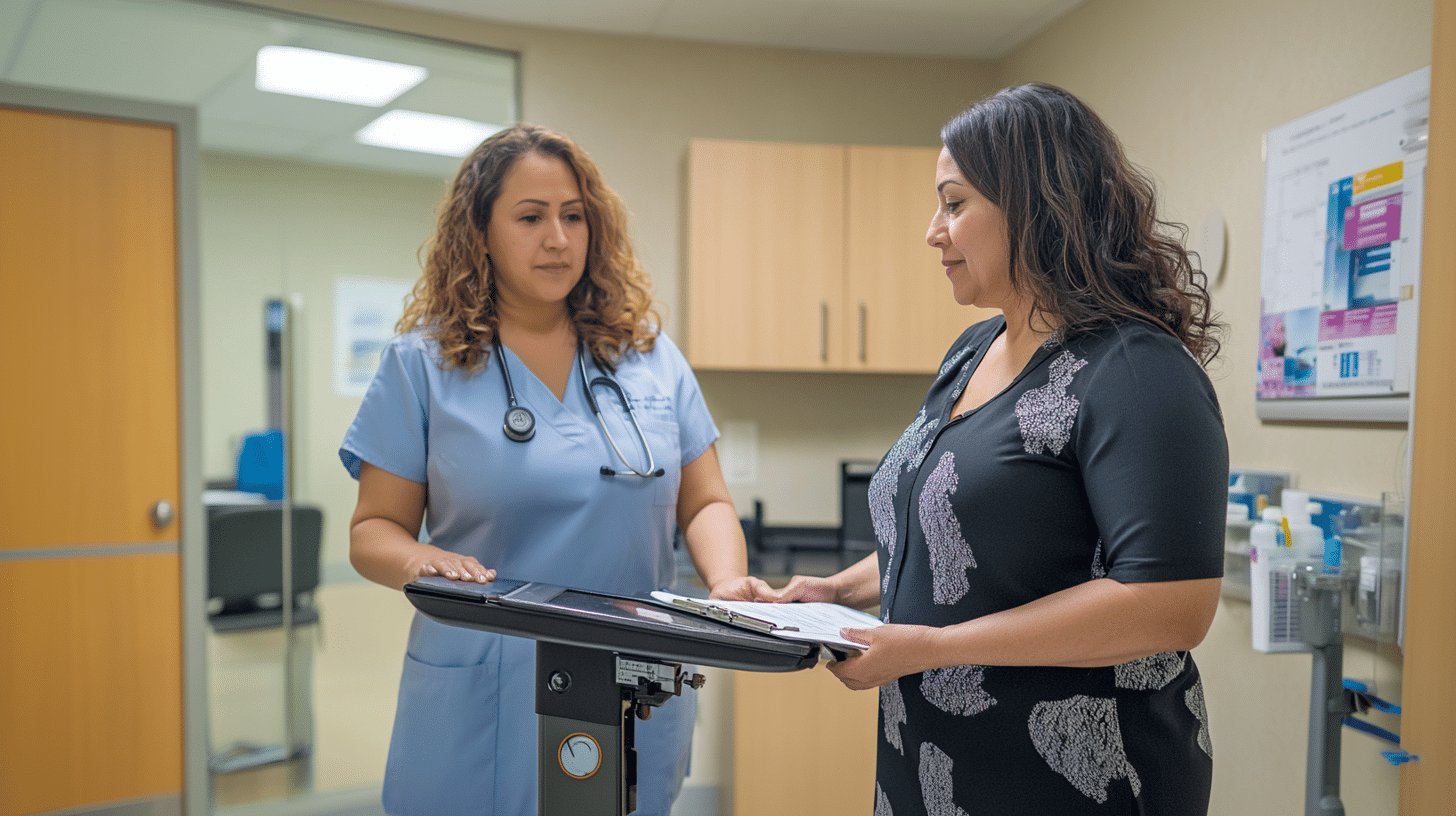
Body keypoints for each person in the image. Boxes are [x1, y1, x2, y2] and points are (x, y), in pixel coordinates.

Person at [752, 83, 1229, 815]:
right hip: (937, 763)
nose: (932, 231)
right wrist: (838, 594)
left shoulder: (1136, 371)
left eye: (954, 203)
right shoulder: (975, 350)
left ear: (1034, 207)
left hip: (1077, 779)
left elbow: (1169, 604)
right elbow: (953, 533)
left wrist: (934, 648)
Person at [339, 124, 754, 816]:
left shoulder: (651, 358)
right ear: (482, 233)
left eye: (572, 216)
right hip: (484, 677)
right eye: (530, 217)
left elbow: (705, 501)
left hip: (632, 671)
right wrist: (422, 562)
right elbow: (373, 529)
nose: (557, 238)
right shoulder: (422, 366)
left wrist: (727, 579)